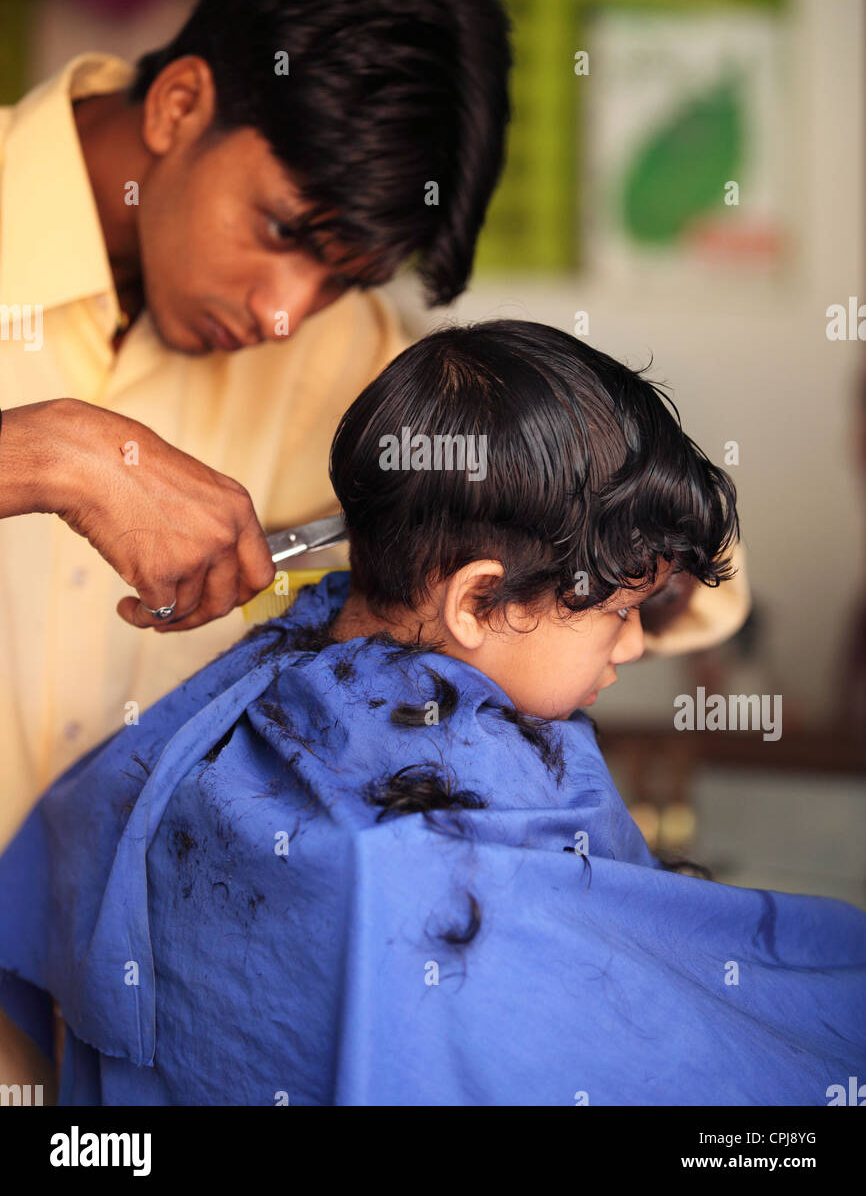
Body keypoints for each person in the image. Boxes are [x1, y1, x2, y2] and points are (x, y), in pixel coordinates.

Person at [0, 321, 861, 1106]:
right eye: (617, 613)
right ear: (478, 602)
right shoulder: (407, 865)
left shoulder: (253, 691)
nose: (633, 648)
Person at [0, 0, 513, 855]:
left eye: (341, 279)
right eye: (282, 230)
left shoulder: (351, 357)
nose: (285, 314)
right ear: (180, 104)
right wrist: (47, 454)